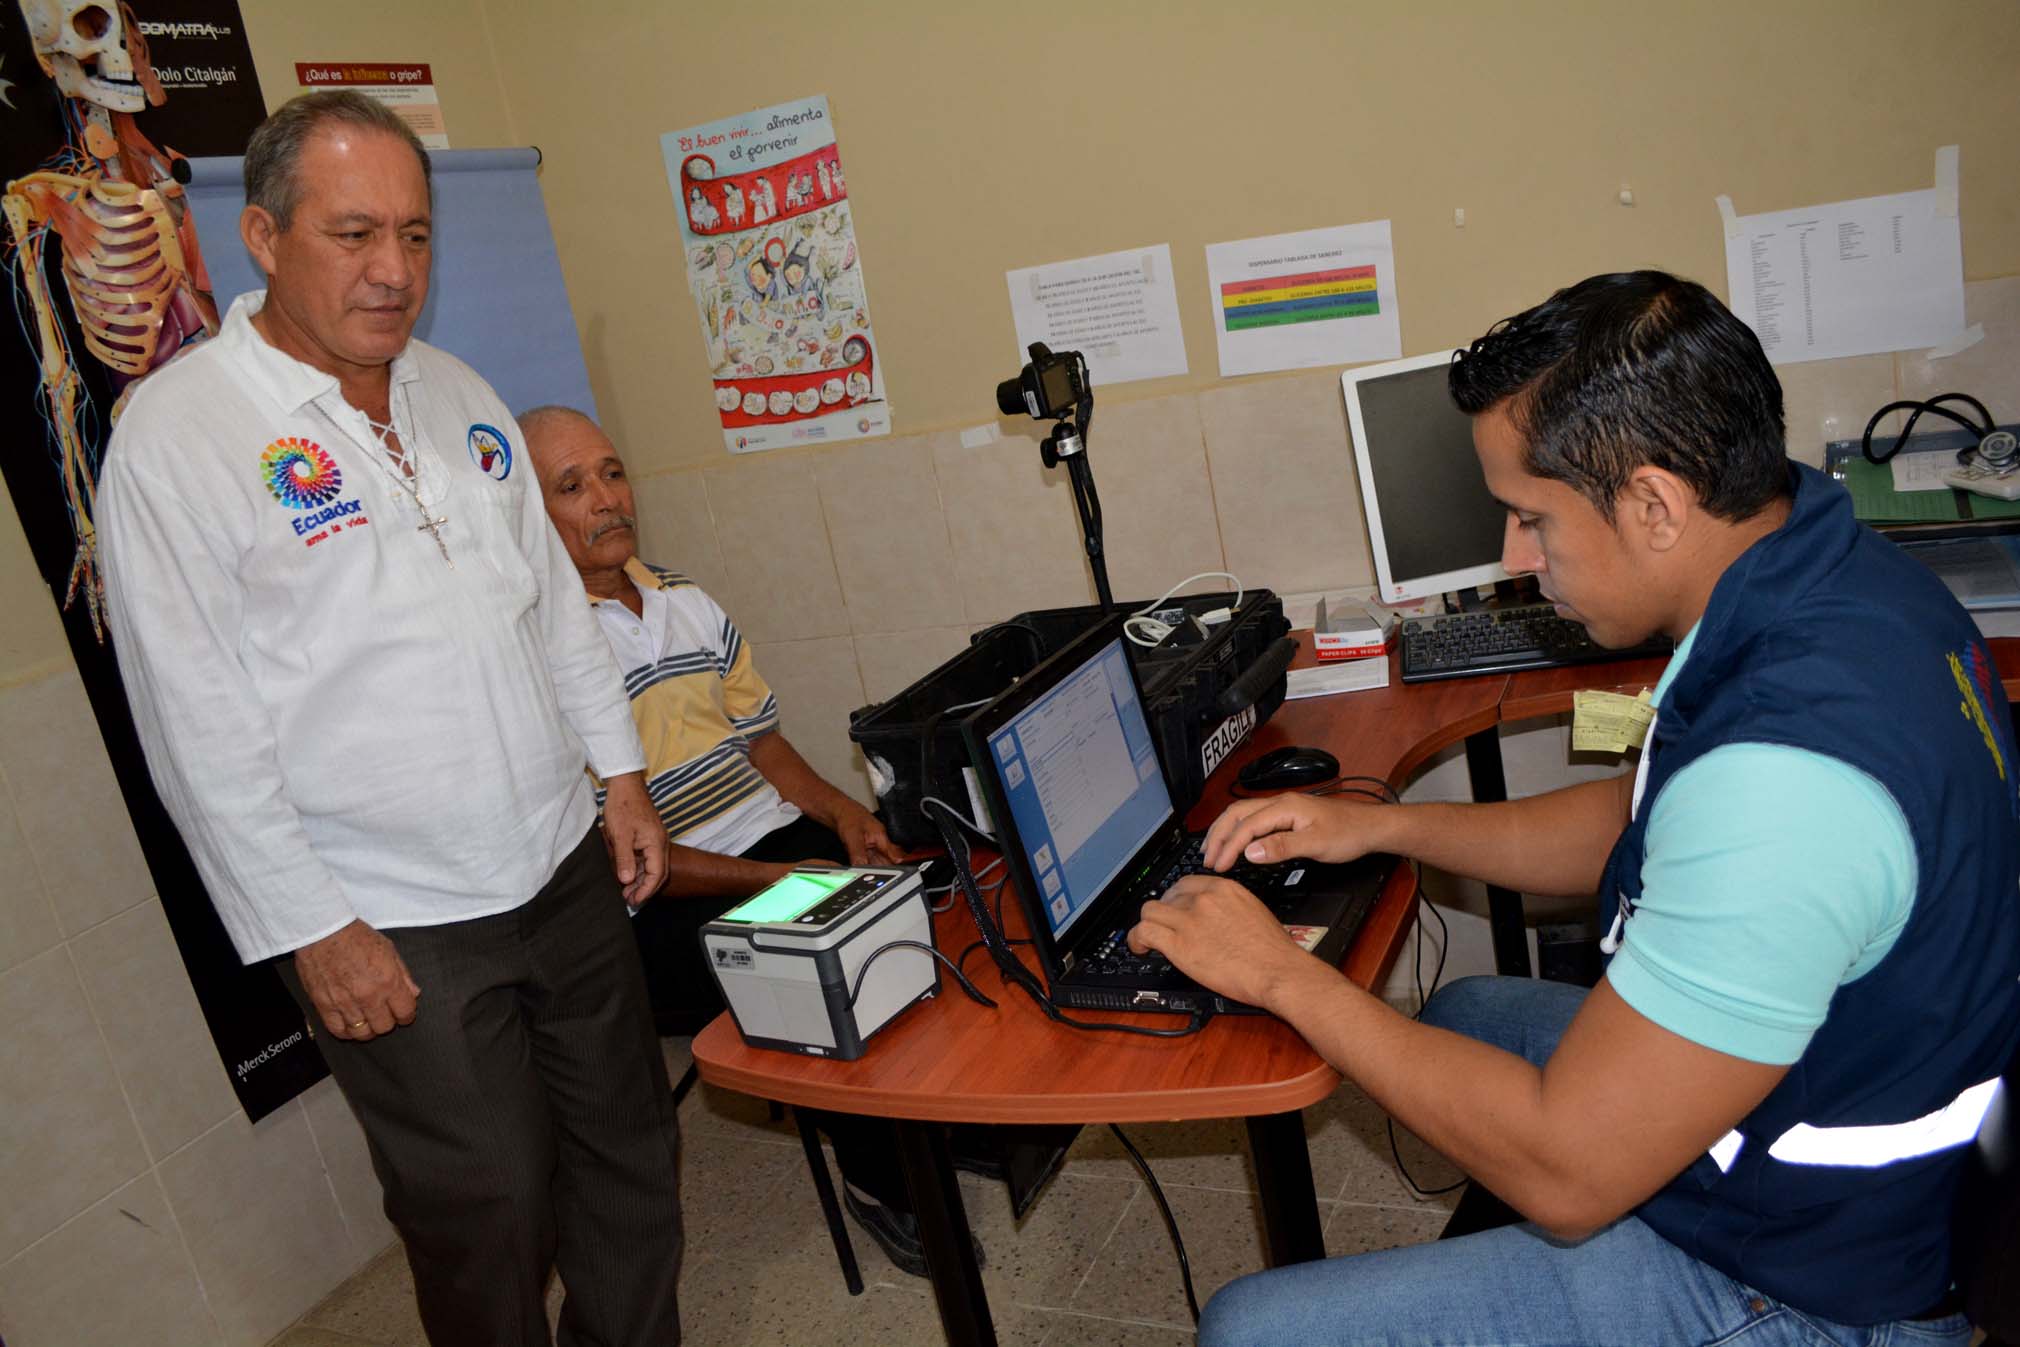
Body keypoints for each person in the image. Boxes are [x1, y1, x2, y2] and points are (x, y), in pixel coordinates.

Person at [1129, 271, 2020, 1346]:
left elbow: (1566, 1173)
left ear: (1654, 503)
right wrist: (1386, 823)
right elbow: (1642, 824)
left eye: (1529, 517)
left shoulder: (1785, 785)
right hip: (1849, 1109)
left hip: (1818, 1287)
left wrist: (1277, 973)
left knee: (1252, 1329)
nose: (1514, 556)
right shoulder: (1836, 573)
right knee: (1464, 1019)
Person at [96, 93, 684, 1347]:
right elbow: (193, 722)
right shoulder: (180, 438)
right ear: (260, 235)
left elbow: (553, 614)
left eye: (415, 236)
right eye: (354, 233)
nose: (393, 271)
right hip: (398, 916)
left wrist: (621, 776)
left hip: (560, 864)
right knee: (488, 1209)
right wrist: (310, 928)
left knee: (629, 1154)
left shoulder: (458, 391)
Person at [519, 404, 1024, 1279]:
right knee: (823, 962)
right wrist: (777, 878)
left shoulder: (686, 601)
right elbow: (626, 858)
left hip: (767, 844)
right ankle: (885, 1186)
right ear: (527, 516)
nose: (606, 498)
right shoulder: (537, 661)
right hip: (656, 903)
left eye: (611, 471)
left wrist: (842, 818)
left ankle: (945, 1118)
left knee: (935, 889)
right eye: (571, 486)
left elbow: (764, 743)